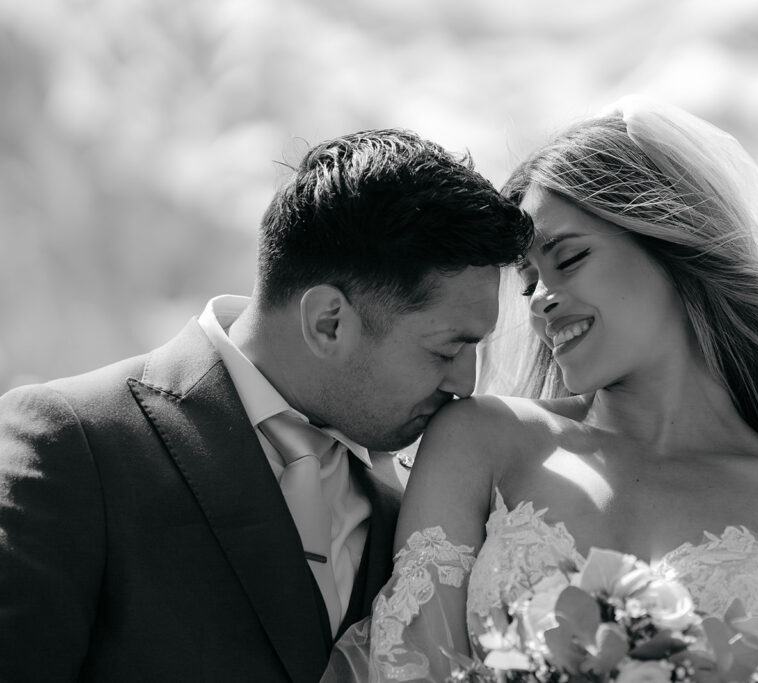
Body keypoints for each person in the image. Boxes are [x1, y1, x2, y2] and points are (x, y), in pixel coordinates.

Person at [326, 96, 758, 683]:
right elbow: (408, 664)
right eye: (527, 281)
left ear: (670, 241)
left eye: (569, 258)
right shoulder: (484, 440)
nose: (542, 300)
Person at [0, 129, 533, 682]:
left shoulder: (421, 510)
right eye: (448, 349)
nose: (465, 383)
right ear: (329, 322)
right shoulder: (74, 440)